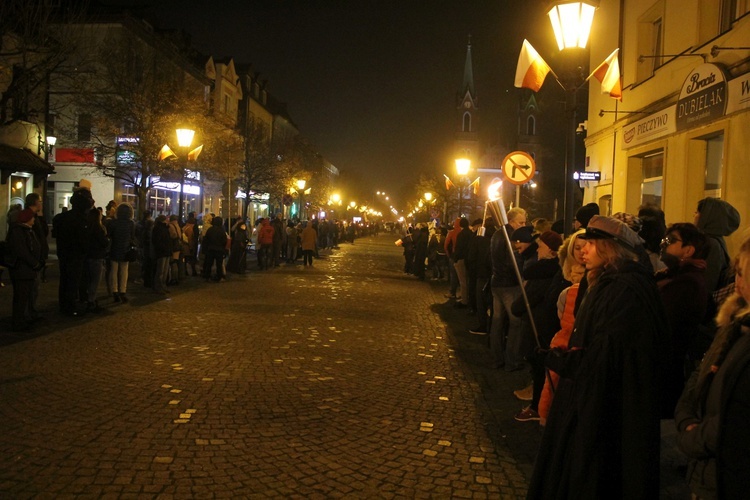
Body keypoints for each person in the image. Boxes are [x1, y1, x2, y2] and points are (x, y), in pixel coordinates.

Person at [528, 215, 669, 499]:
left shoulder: (622, 290)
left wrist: (561, 360)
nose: (583, 251)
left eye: (591, 244)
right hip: (591, 400)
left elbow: (606, 359)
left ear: (610, 248)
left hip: (604, 411)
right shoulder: (610, 282)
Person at [675, 234, 750, 500]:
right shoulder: (735, 322)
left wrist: (692, 439)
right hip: (708, 467)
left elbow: (738, 419)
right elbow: (703, 371)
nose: (736, 283)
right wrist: (685, 417)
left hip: (728, 473)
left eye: (741, 274)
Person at [656, 223, 710, 416]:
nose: (663, 244)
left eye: (671, 241)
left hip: (666, 370)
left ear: (688, 250)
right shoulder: (674, 276)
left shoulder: (687, 283)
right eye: (664, 239)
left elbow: (663, 324)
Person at [512, 230, 564, 423]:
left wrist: (516, 307)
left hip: (541, 327)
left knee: (539, 368)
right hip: (541, 325)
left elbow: (529, 299)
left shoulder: (544, 273)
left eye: (541, 246)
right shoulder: (544, 269)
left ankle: (537, 408)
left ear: (551, 250)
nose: (537, 249)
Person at [537, 229, 586, 425]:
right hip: (557, 339)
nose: (583, 252)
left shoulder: (579, 288)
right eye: (578, 247)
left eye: (586, 247)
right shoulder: (563, 273)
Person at [489, 207, 527, 371]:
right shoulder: (510, 235)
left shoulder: (497, 234)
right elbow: (513, 262)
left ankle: (496, 358)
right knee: (516, 322)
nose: (523, 225)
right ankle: (512, 360)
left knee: (497, 322)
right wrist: (523, 277)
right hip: (509, 284)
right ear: (511, 221)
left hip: (496, 281)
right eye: (521, 222)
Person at [53, 187, 94, 317]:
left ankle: (65, 305)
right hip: (75, 254)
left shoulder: (61, 218)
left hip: (65, 253)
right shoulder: (81, 219)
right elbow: (83, 239)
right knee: (72, 282)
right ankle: (69, 307)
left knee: (65, 280)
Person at [5, 208, 43, 331]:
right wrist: (34, 263)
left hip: (27, 270)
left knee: (25, 296)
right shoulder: (18, 231)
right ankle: (18, 322)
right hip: (22, 270)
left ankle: (23, 319)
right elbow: (22, 251)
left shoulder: (26, 230)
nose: (34, 220)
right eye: (32, 217)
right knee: (21, 297)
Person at [694, 197, 741, 293]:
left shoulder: (711, 244)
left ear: (708, 218)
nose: (694, 215)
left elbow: (707, 283)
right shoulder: (712, 240)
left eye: (698, 212)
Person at [107, 203, 136, 303]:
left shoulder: (113, 223)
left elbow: (109, 235)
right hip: (126, 249)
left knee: (113, 271)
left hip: (114, 248)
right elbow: (132, 237)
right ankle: (122, 291)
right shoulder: (131, 223)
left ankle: (114, 291)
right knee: (124, 271)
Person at [85, 208, 109, 312]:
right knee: (95, 281)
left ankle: (89, 299)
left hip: (88, 256)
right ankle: (91, 301)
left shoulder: (87, 227)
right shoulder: (98, 228)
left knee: (89, 280)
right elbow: (104, 242)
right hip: (97, 256)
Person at [452, 217, 472, 308]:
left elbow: (458, 248)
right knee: (467, 280)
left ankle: (464, 301)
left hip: (461, 259)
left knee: (463, 281)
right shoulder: (471, 234)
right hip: (468, 259)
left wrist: (455, 258)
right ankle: (466, 298)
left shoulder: (461, 234)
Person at [202, 216, 228, 282]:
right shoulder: (222, 230)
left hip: (210, 249)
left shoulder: (210, 229)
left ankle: (207, 276)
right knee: (219, 264)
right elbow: (224, 240)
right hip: (219, 249)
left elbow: (206, 239)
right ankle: (219, 277)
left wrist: (205, 248)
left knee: (209, 264)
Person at [151, 215, 172, 294]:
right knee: (161, 271)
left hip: (165, 251)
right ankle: (158, 286)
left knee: (164, 271)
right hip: (162, 252)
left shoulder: (164, 228)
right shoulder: (159, 228)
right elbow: (157, 241)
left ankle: (162, 285)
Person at [182, 212, 199, 277]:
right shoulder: (191, 228)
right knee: (192, 258)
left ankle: (186, 271)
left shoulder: (185, 226)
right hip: (190, 245)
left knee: (186, 259)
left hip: (185, 245)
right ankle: (193, 271)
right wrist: (191, 247)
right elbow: (190, 238)